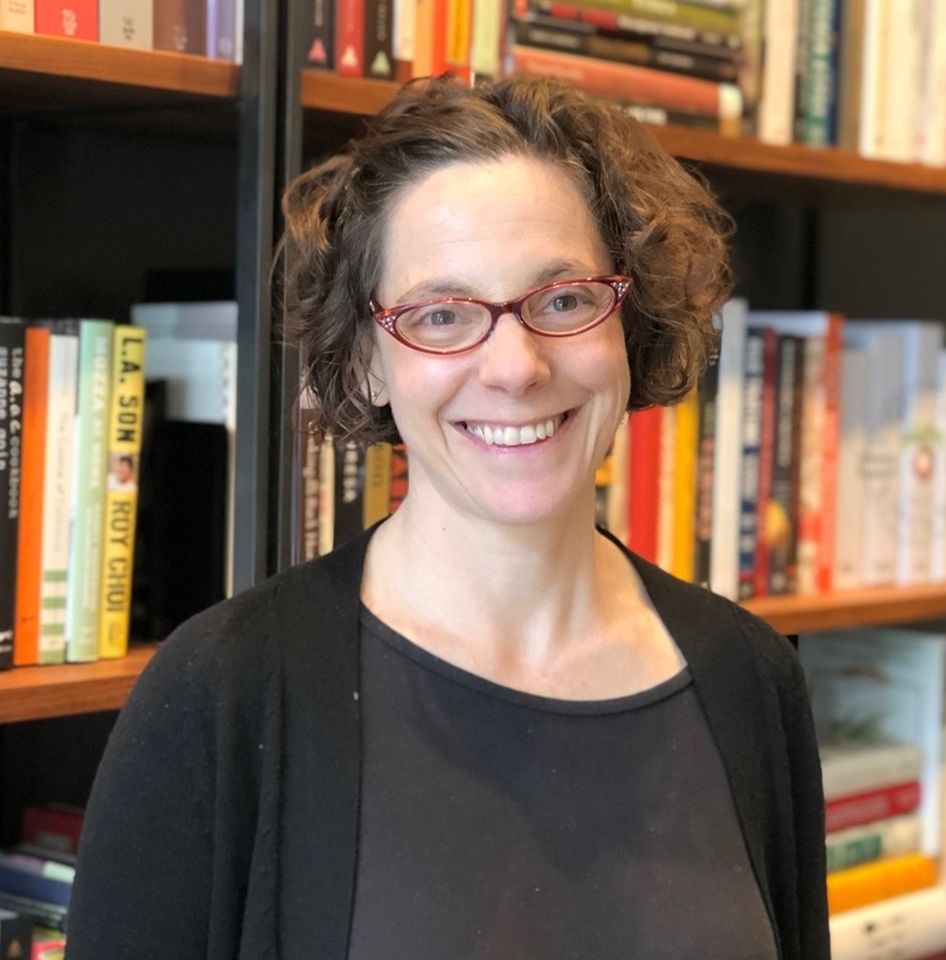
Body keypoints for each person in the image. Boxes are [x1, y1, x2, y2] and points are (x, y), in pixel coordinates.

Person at [66, 77, 829, 960]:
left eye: (564, 299)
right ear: (367, 361)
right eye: (440, 315)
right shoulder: (223, 692)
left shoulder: (750, 679)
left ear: (630, 322)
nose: (515, 366)